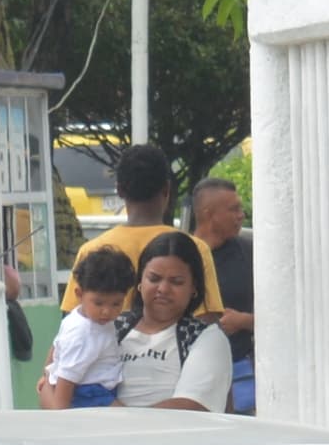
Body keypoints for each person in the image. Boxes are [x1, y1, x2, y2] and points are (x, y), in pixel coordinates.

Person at [63, 144, 225, 319]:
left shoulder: (92, 250)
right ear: (167, 189)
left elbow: (73, 320)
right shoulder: (195, 248)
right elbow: (207, 318)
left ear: (119, 189)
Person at [112, 233, 231, 412]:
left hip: (172, 439)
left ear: (193, 288)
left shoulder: (207, 338)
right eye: (154, 279)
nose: (163, 289)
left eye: (177, 282)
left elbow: (190, 407)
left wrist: (113, 415)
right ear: (140, 282)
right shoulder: (111, 327)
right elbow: (57, 375)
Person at [44, 245, 137, 409]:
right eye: (98, 303)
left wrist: (47, 373)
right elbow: (67, 377)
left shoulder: (76, 316)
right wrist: (60, 414)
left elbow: (56, 346)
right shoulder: (85, 333)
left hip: (91, 389)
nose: (107, 311)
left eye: (116, 303)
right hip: (87, 393)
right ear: (79, 294)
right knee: (129, 420)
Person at [193, 177, 258, 413]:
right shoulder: (183, 256)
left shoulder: (250, 253)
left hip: (243, 371)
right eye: (233, 209)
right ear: (209, 214)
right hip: (194, 374)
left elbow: (278, 315)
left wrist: (244, 321)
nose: (241, 215)